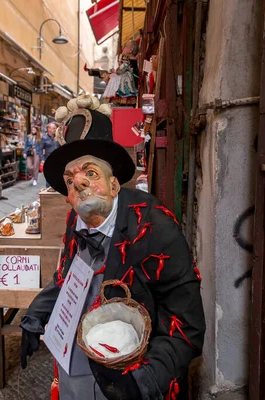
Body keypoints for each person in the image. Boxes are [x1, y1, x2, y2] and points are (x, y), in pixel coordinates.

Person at [20, 96, 205, 399]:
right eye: (70, 179)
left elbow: (187, 323)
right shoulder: (75, 221)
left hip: (130, 376)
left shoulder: (154, 228)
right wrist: (36, 313)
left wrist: (146, 379)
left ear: (115, 184)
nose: (78, 183)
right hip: (75, 370)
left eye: (90, 173)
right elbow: (68, 276)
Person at [41, 122, 60, 188]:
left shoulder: (58, 137)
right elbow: (40, 149)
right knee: (49, 176)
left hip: (57, 160)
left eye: (55, 128)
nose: (55, 130)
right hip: (48, 160)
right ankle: (48, 191)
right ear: (49, 129)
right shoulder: (44, 138)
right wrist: (42, 159)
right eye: (54, 128)